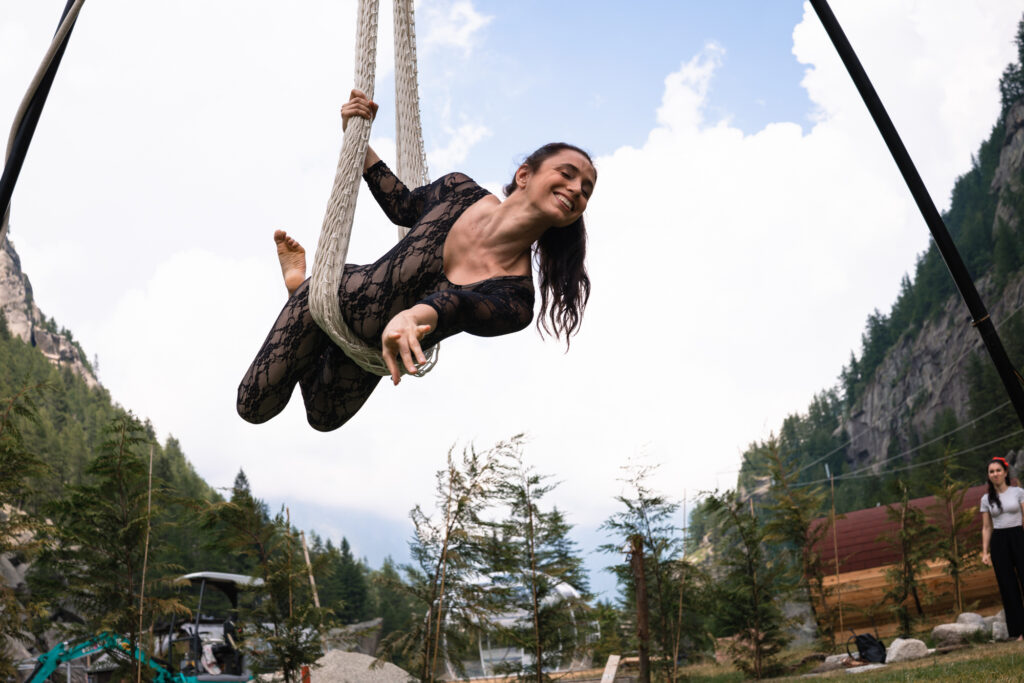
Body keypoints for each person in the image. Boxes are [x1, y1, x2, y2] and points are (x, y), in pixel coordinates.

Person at [237, 90, 596, 431]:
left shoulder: (515, 299)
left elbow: (455, 304)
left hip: (373, 354)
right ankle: (306, 293)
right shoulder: (459, 190)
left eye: (586, 189)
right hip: (342, 294)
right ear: (524, 175)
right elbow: (402, 206)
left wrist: (412, 318)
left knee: (322, 417)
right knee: (254, 408)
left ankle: (298, 291)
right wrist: (356, 137)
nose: (577, 189)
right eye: (567, 174)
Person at [980, 455, 1024, 640]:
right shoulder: (985, 499)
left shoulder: (1018, 492)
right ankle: (1019, 631)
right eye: (992, 471)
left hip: (1018, 537)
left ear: (1005, 472)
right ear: (989, 476)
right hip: (999, 542)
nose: (995, 474)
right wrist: (985, 551)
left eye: (998, 470)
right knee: (1008, 587)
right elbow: (987, 527)